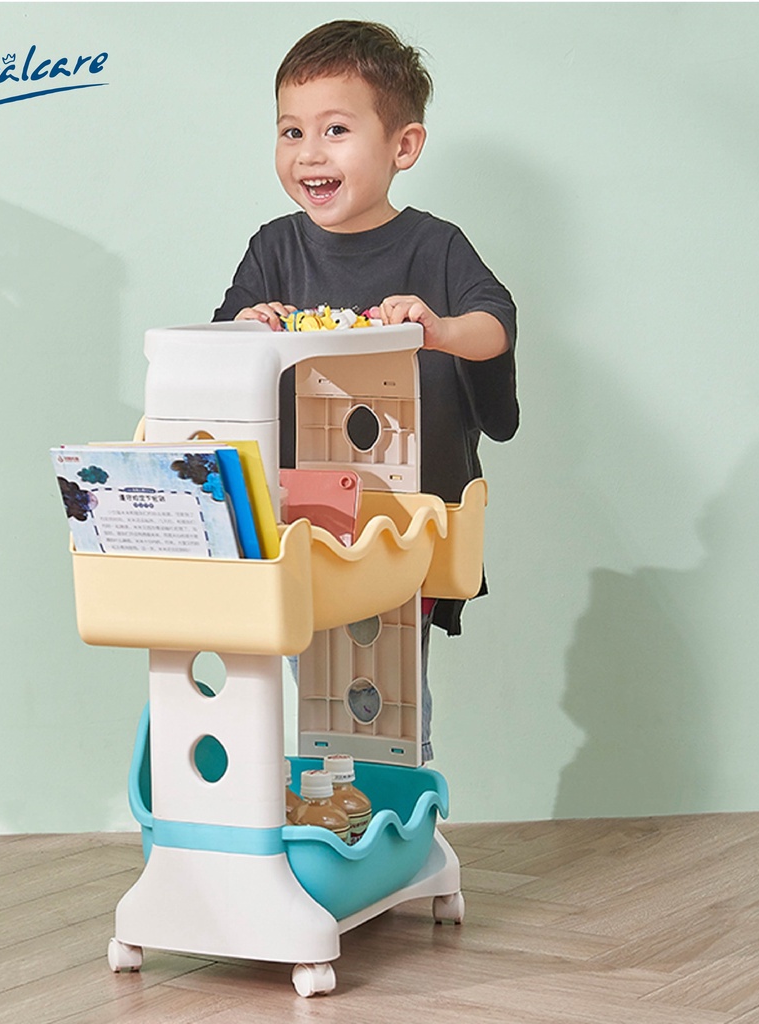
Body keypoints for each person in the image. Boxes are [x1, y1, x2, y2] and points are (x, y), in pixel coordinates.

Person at [213, 20, 518, 761]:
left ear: (402, 147)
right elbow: (222, 345)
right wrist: (248, 327)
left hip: (400, 511)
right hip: (301, 510)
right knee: (309, 665)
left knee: (384, 675)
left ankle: (396, 796)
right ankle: (332, 793)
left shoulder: (434, 245)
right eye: (291, 131)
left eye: (336, 130)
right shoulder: (274, 247)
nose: (309, 153)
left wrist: (437, 328)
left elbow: (494, 324)